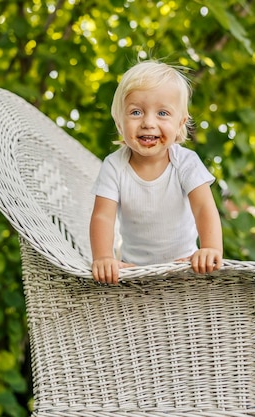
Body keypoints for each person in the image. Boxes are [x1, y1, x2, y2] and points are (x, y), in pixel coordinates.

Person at [89, 60, 223, 284]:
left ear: (180, 123)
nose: (148, 123)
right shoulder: (114, 166)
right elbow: (103, 216)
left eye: (162, 113)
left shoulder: (186, 162)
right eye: (136, 112)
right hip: (135, 273)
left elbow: (203, 208)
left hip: (185, 267)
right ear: (120, 123)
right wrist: (103, 258)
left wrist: (210, 248)